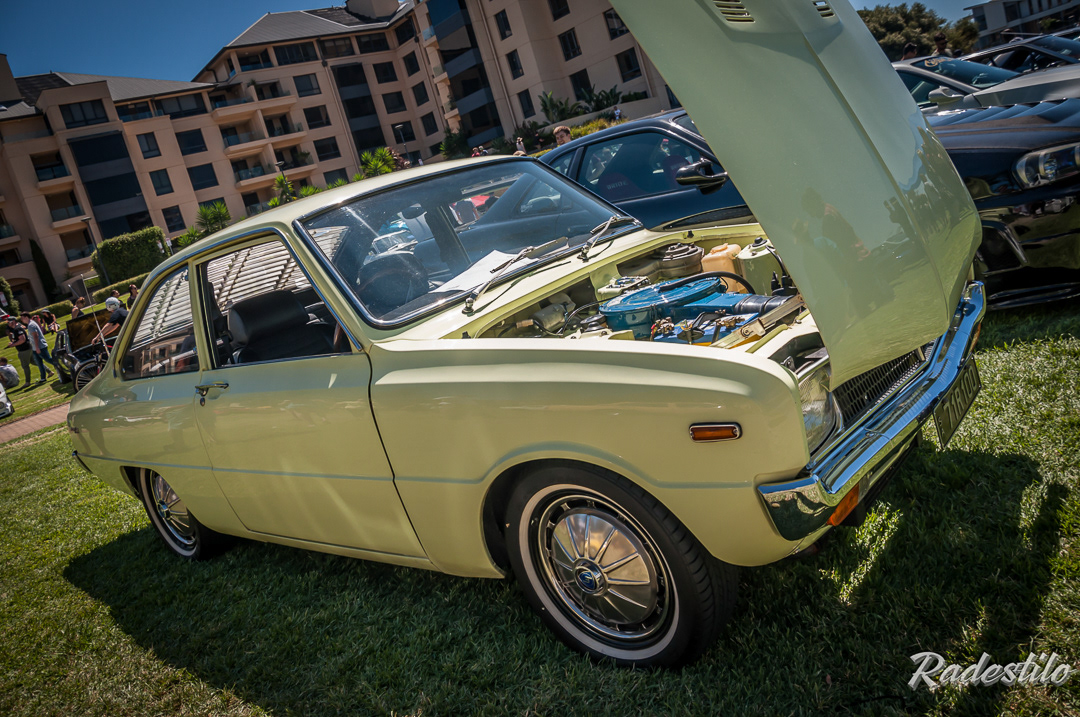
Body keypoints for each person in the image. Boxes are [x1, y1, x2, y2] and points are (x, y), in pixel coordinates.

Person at [22, 312, 58, 383]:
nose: (22, 320)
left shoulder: (31, 325)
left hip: (40, 346)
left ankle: (61, 366)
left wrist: (37, 347)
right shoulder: (31, 324)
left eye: (22, 318)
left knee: (48, 360)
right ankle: (43, 378)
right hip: (35, 348)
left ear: (26, 317)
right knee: (39, 363)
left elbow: (36, 336)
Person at [4, 317, 33, 385]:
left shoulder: (17, 329)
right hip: (27, 348)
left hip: (24, 349)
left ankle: (27, 382)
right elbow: (19, 339)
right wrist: (13, 342)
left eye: (8, 322)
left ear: (13, 321)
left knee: (25, 366)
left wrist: (13, 345)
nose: (8, 324)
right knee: (34, 362)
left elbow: (22, 339)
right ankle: (49, 371)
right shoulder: (15, 329)